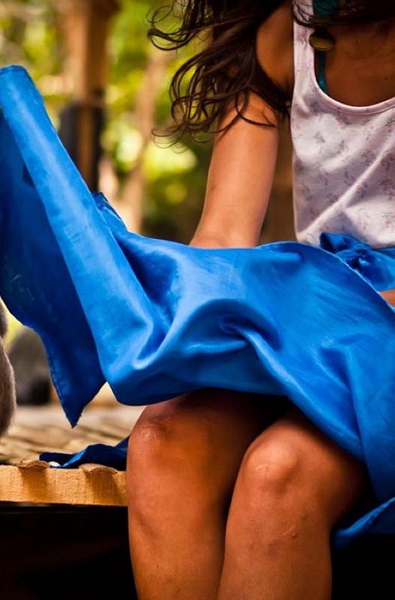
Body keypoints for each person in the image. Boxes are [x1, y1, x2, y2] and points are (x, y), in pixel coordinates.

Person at [126, 1, 395, 598]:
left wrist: (319, 317)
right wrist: (163, 313)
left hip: (362, 331)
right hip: (323, 325)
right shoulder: (283, 35)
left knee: (279, 473)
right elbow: (221, 239)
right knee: (163, 443)